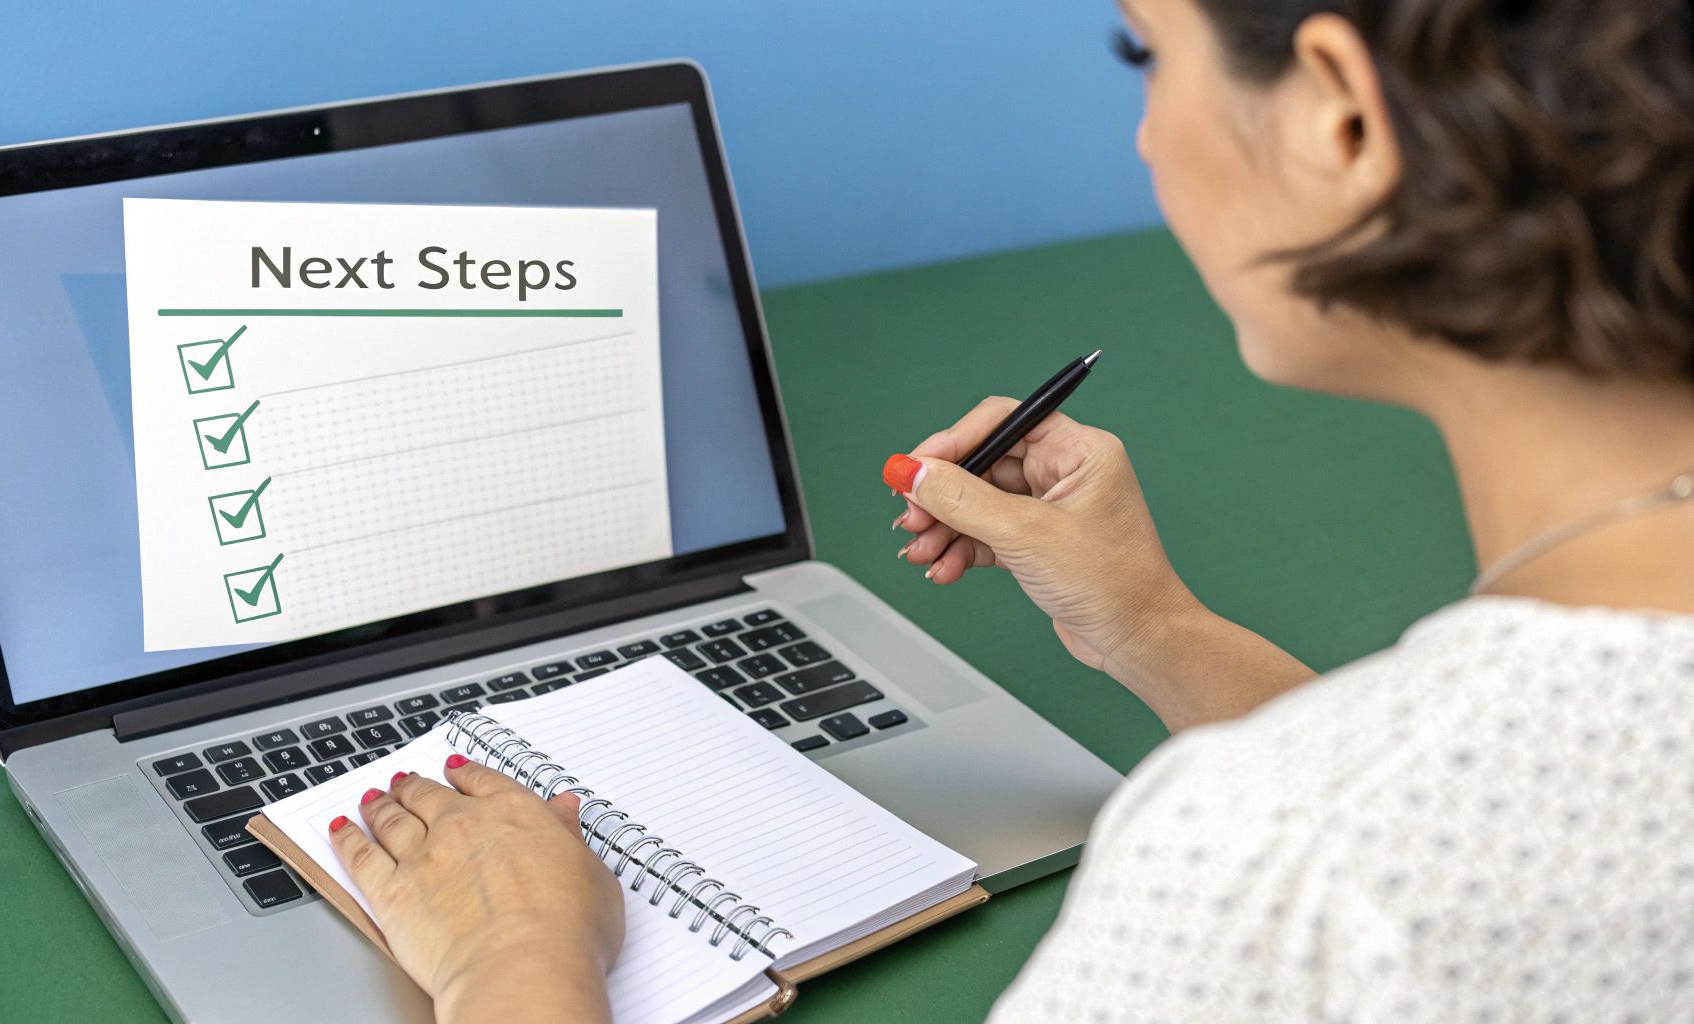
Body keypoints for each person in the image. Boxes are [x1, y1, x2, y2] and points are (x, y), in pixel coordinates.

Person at [327, 0, 1694, 1019]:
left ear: (1340, 119)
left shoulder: (1274, 874)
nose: (1148, 130)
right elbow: (1483, 825)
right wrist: (1152, 622)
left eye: (1143, 53)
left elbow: (1379, 852)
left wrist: (514, 958)